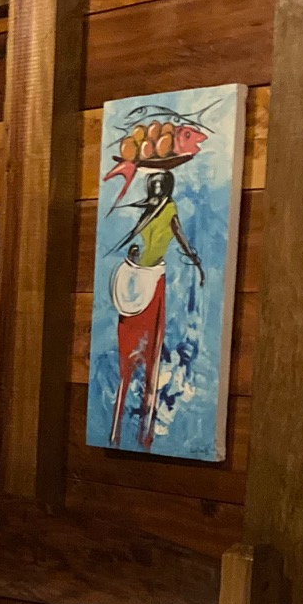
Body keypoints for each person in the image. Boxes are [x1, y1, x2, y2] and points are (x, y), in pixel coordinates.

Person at [107, 169, 202, 450]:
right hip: (137, 276)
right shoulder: (148, 209)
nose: (158, 188)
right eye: (155, 185)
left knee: (151, 353)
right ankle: (118, 431)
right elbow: (136, 236)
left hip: (153, 278)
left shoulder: (168, 209)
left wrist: (194, 260)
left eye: (161, 185)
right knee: (127, 350)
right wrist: (132, 253)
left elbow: (179, 234)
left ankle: (143, 430)